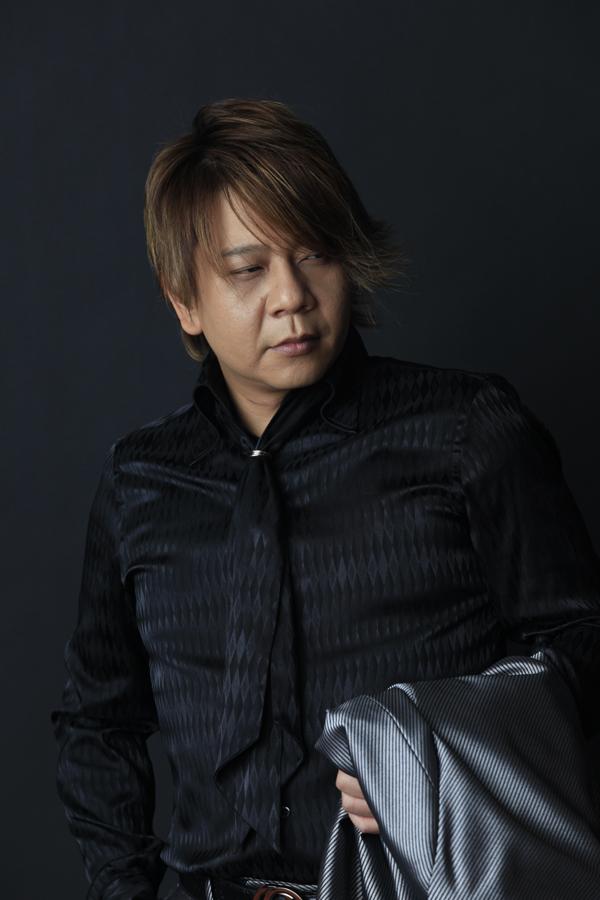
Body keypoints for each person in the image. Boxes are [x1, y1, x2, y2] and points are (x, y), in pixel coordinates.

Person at [50, 97, 600, 900]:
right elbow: (98, 722)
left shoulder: (467, 432)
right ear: (184, 300)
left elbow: (581, 646)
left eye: (315, 254)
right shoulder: (141, 481)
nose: (291, 296)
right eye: (247, 269)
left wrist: (431, 752)